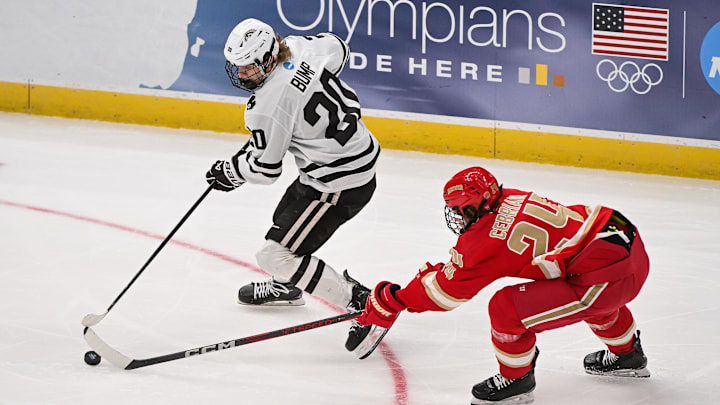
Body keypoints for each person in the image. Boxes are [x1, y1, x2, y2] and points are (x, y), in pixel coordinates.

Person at [357, 167, 650, 404]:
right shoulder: (508, 197)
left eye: (459, 210)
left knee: (506, 307)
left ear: (473, 206)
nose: (457, 217)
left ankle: (516, 379)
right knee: (576, 294)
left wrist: (391, 299)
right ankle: (628, 355)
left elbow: (444, 294)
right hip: (621, 238)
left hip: (609, 276)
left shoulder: (485, 241)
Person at [205, 18, 380, 352]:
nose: (242, 75)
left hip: (338, 183)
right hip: (347, 158)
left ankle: (363, 303)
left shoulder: (266, 107)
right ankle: (287, 287)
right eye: (238, 67)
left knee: (275, 255)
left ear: (270, 56)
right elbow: (337, 48)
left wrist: (230, 171)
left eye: (250, 68)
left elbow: (266, 168)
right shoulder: (301, 46)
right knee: (286, 217)